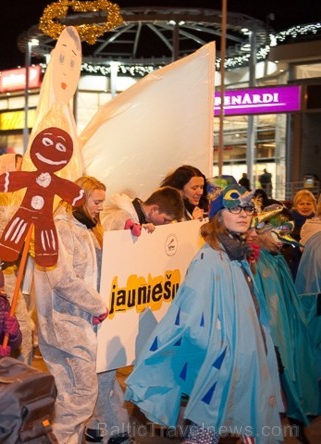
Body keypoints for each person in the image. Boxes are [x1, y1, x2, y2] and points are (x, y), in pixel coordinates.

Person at [125, 184, 283, 444]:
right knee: (208, 430)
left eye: (247, 208)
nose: (243, 214)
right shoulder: (209, 259)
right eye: (234, 208)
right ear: (219, 216)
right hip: (223, 365)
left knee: (241, 423)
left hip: (244, 362)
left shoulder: (236, 256)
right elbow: (189, 317)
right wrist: (221, 353)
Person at [90, 185, 185, 444]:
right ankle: (113, 431)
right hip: (106, 306)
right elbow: (105, 260)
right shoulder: (119, 220)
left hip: (114, 306)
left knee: (106, 372)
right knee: (105, 373)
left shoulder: (130, 220)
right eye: (164, 219)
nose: (163, 224)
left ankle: (99, 427)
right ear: (153, 209)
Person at [34, 176, 108, 443]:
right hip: (64, 324)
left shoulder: (83, 228)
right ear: (80, 198)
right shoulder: (61, 229)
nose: (101, 208)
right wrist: (98, 305)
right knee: (82, 395)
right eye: (97, 202)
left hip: (74, 324)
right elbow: (62, 279)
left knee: (69, 395)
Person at [252, 205, 318, 440]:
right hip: (270, 344)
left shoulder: (275, 260)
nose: (283, 242)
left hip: (283, 340)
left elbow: (288, 302)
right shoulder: (255, 263)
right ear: (260, 229)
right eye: (278, 235)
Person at [0, 153, 34, 363]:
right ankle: (18, 376)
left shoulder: (12, 200)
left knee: (17, 329)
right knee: (18, 328)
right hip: (1, 276)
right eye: (18, 168)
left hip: (10, 273)